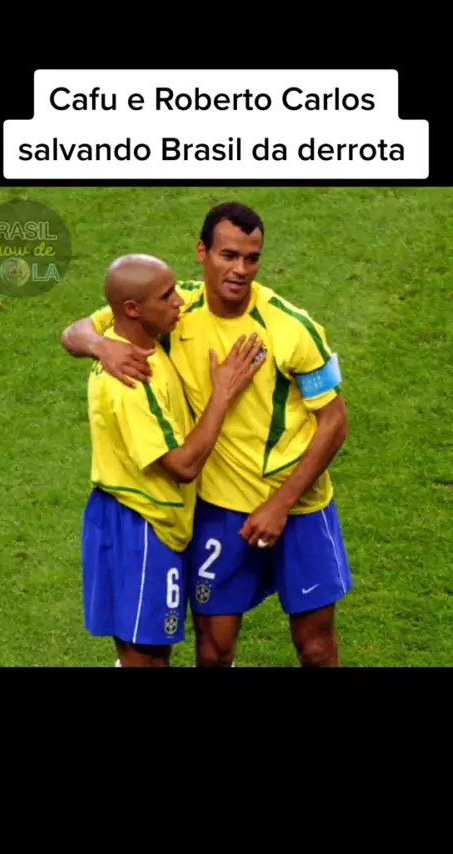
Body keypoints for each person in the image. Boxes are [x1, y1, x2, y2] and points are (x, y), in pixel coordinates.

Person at [62, 202, 353, 668]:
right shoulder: (173, 309)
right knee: (214, 650)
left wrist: (280, 504)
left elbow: (334, 422)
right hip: (218, 507)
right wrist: (102, 347)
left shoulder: (293, 329)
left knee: (317, 647)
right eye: (228, 255)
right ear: (203, 252)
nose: (241, 270)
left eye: (252, 258)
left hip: (298, 506)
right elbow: (76, 331)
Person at [80, 252, 266, 667]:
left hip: (154, 520)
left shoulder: (138, 343)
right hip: (140, 525)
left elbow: (76, 332)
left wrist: (94, 342)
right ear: (133, 309)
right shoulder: (131, 379)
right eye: (167, 296)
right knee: (146, 657)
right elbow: (182, 466)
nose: (179, 301)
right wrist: (223, 394)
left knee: (151, 652)